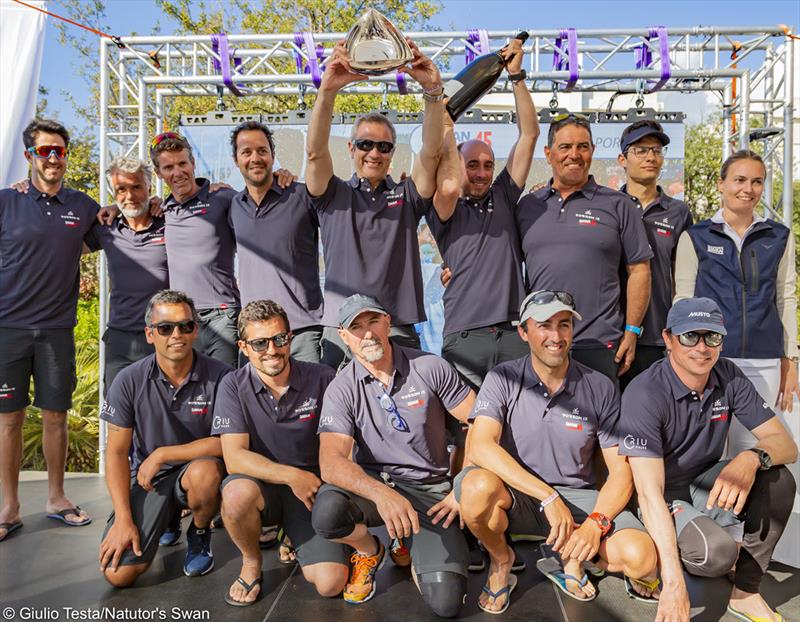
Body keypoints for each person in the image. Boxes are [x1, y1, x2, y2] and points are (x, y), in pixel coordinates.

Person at [456, 290, 659, 614]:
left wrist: (596, 522)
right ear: (523, 332)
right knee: (475, 488)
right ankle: (501, 560)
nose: (556, 335)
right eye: (544, 325)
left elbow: (621, 472)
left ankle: (574, 556)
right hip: (519, 495)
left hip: (578, 498)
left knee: (642, 558)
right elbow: (480, 446)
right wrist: (547, 496)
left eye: (563, 325)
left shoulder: (599, 387)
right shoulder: (503, 378)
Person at [619, 297, 797, 622]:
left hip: (703, 485)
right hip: (660, 496)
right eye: (690, 336)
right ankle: (652, 561)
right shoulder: (644, 393)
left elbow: (786, 445)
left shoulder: (727, 374)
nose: (702, 348)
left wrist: (750, 457)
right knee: (716, 554)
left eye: (711, 337)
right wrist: (673, 584)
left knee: (780, 480)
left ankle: (745, 593)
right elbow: (647, 492)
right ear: (668, 339)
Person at [312, 294, 475, 617]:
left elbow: (479, 423)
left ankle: (407, 543)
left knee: (446, 605)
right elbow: (331, 463)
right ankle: (370, 549)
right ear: (344, 337)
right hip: (376, 489)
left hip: (429, 492)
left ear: (388, 322)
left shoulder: (429, 367)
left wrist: (463, 481)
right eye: (356, 327)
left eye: (373, 321)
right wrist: (382, 494)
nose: (367, 333)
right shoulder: (341, 388)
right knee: (328, 512)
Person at [304, 38, 449, 369]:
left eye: (384, 147)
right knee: (338, 420)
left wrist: (432, 91)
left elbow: (431, 153)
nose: (374, 153)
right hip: (342, 330)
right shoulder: (331, 193)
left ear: (393, 153)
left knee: (411, 418)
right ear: (351, 148)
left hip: (396, 326)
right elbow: (315, 152)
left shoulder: (408, 195)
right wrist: (327, 92)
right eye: (366, 144)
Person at [0, 119, 99, 541]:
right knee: (9, 420)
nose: (53, 158)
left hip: (57, 329)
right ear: (29, 157)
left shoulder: (84, 207)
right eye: (45, 151)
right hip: (8, 328)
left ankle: (57, 498)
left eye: (59, 150)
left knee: (56, 416)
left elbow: (120, 223)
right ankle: (8, 506)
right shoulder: (6, 202)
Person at [212, 300, 348, 606]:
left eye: (280, 339)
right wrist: (292, 476)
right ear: (244, 347)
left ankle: (295, 536)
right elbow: (234, 457)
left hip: (312, 493)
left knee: (331, 584)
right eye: (259, 343)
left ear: (290, 337)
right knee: (235, 493)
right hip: (264, 490)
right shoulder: (232, 385)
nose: (272, 350)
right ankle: (251, 562)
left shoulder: (323, 377)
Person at [99, 290, 232, 586]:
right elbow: (117, 453)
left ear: (196, 330)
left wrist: (162, 454)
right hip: (150, 479)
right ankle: (168, 517)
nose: (177, 335)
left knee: (205, 472)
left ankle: (199, 533)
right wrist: (123, 518)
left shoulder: (223, 376)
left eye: (185, 326)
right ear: (149, 334)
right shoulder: (128, 380)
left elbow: (229, 442)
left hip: (195, 472)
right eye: (165, 328)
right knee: (118, 575)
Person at [429, 36, 537, 391]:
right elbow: (446, 182)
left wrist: (517, 79)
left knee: (516, 429)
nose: (480, 172)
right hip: (464, 336)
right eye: (471, 164)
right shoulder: (445, 205)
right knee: (463, 432)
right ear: (457, 165)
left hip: (512, 333)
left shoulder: (503, 196)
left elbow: (529, 135)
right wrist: (445, 122)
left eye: (488, 165)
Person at [674, 150, 798, 455]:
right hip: (709, 356)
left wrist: (791, 359)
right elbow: (683, 298)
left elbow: (786, 297)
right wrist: (681, 351)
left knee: (755, 447)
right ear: (721, 184)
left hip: (764, 360)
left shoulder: (779, 237)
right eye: (739, 180)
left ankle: (752, 505)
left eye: (757, 182)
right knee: (710, 447)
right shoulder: (696, 236)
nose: (748, 189)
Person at [515, 113, 653, 387]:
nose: (574, 155)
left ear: (592, 151)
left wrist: (632, 332)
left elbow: (639, 271)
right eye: (565, 147)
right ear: (548, 153)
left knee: (603, 429)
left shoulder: (619, 204)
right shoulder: (527, 206)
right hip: (544, 342)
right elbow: (502, 261)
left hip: (601, 343)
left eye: (583, 146)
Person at [228, 121, 324, 363]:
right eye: (246, 152)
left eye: (262, 151)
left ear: (273, 156)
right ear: (235, 159)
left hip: (301, 332)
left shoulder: (301, 195)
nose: (255, 158)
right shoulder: (232, 205)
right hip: (254, 336)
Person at [151, 132, 240, 367]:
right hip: (181, 321)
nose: (178, 172)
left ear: (193, 163)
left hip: (223, 315)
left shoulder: (223, 198)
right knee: (188, 394)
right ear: (158, 174)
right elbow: (128, 210)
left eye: (182, 163)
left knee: (225, 391)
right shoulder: (161, 210)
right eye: (168, 167)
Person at [617, 120, 692, 386]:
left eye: (657, 151)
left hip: (660, 336)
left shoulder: (678, 212)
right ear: (622, 159)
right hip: (613, 334)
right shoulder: (608, 206)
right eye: (641, 150)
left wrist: (680, 333)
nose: (651, 157)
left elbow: (682, 278)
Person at [84, 156, 169, 390]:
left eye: (136, 187)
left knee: (163, 417)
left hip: (164, 336)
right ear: (113, 193)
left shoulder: (169, 223)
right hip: (120, 340)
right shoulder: (106, 228)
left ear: (149, 188)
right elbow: (59, 246)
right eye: (121, 189)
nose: (129, 196)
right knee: (119, 418)